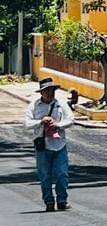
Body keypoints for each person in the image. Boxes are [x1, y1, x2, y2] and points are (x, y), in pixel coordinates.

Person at [24, 78, 75, 212]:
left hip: (59, 144)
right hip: (42, 146)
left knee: (62, 174)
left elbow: (70, 119)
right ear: (42, 92)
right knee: (44, 175)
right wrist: (40, 122)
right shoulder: (34, 106)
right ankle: (49, 201)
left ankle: (62, 200)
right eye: (47, 91)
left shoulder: (61, 104)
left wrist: (58, 125)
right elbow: (26, 124)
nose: (50, 93)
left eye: (52, 90)